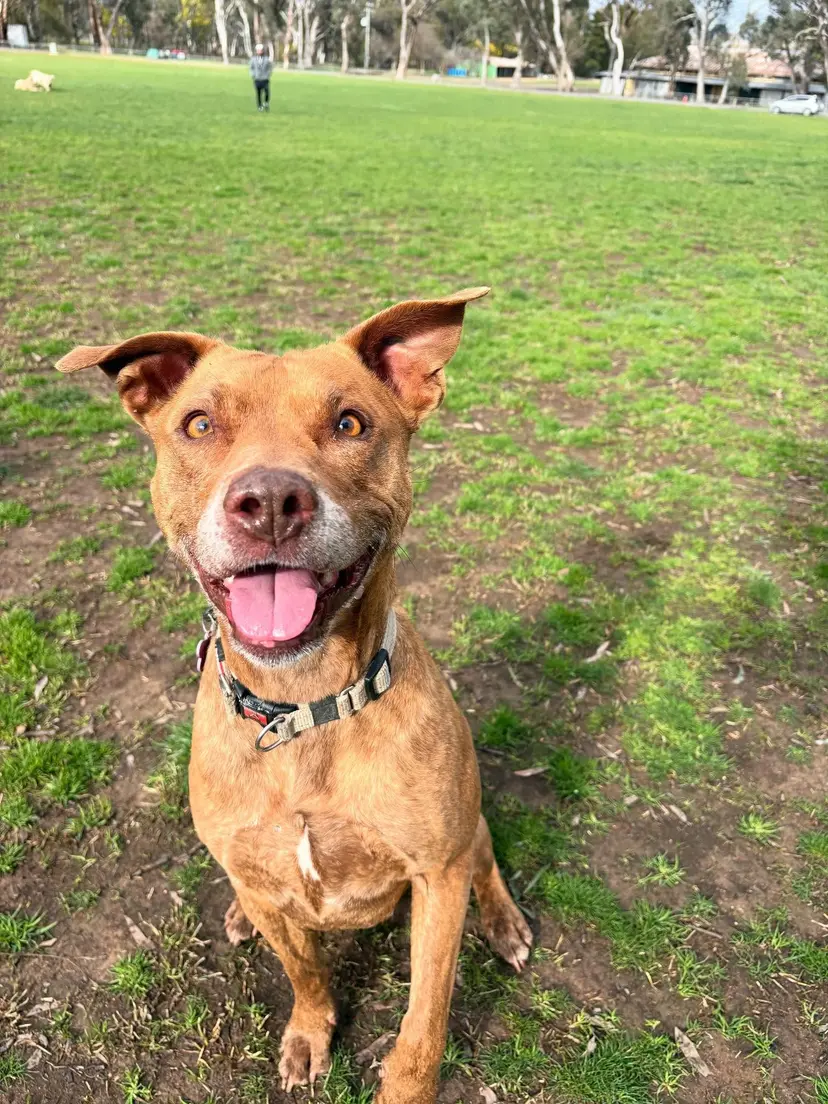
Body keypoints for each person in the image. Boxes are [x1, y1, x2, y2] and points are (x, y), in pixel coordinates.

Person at [249, 44, 272, 112]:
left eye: (261, 50)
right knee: (258, 94)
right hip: (257, 79)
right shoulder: (253, 59)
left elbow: (270, 68)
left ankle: (266, 103)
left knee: (267, 92)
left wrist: (268, 74)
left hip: (265, 79)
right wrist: (253, 75)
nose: (259, 51)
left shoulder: (267, 59)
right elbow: (251, 68)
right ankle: (259, 106)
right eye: (258, 50)